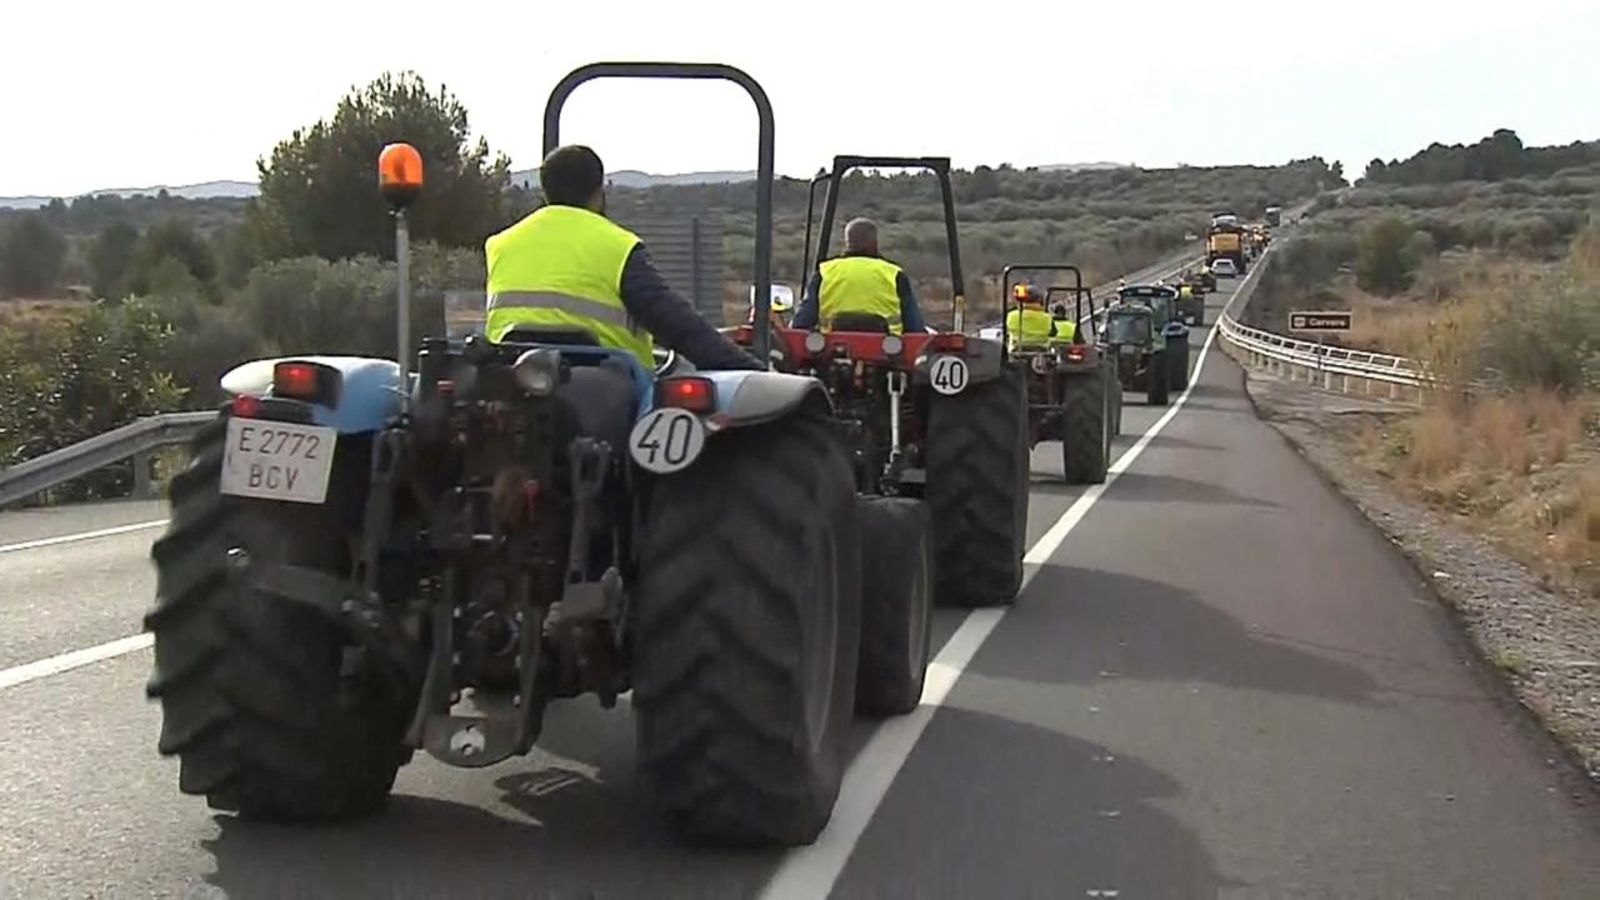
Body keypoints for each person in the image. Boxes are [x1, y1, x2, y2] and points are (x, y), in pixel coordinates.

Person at [484, 144, 763, 371]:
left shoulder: (500, 244)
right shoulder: (618, 246)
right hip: (609, 390)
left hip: (514, 383)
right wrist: (750, 370)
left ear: (546, 191)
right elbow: (677, 325)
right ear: (598, 191)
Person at [792, 217, 926, 334]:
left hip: (831, 352)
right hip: (888, 353)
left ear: (847, 241)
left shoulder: (825, 272)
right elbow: (914, 327)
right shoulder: (894, 274)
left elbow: (802, 322)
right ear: (875, 242)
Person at [1003, 283, 1059, 351]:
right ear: (1039, 299)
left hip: (1017, 350)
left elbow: (1005, 331)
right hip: (1041, 351)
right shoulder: (1047, 317)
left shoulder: (1011, 315)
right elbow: (1053, 333)